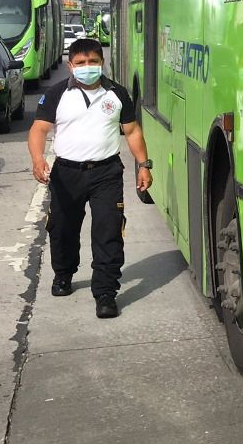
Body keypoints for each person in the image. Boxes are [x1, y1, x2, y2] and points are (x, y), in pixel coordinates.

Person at [28, 38, 152, 319]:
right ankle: (63, 274)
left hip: (106, 173)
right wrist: (38, 159)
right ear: (70, 66)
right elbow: (39, 130)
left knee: (109, 233)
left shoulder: (117, 94)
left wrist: (144, 164)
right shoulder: (57, 94)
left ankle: (106, 293)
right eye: (81, 63)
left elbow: (132, 132)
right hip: (66, 174)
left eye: (93, 61)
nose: (88, 67)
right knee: (62, 230)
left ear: (102, 63)